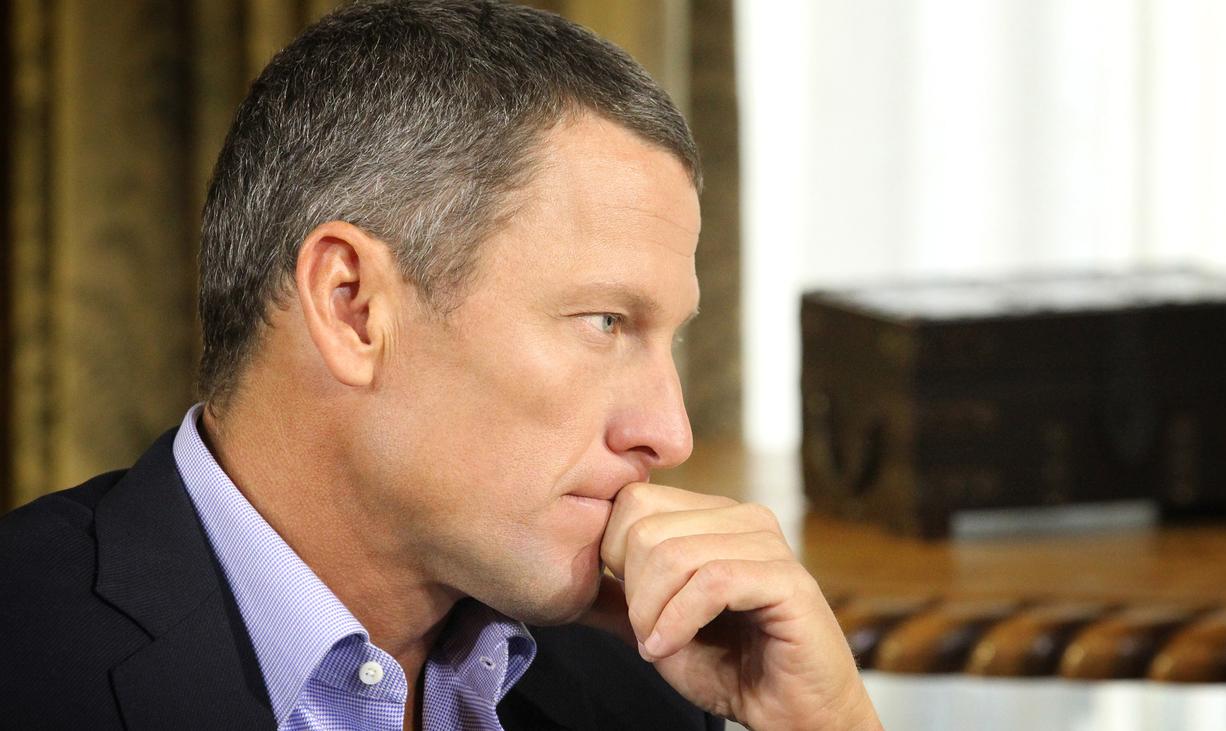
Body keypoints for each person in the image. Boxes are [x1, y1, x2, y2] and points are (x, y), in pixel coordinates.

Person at [0, 2, 882, 729]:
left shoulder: (647, 675)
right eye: (605, 322)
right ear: (352, 306)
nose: (671, 432)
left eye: (670, 338)